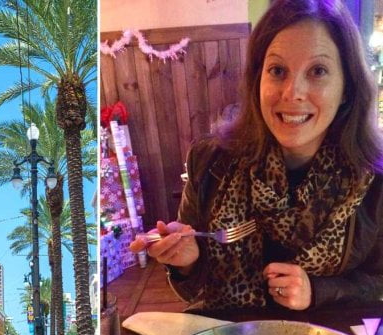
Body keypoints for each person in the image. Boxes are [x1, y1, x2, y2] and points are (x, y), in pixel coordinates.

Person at [130, 0, 383, 311]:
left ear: (347, 87)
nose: (292, 93)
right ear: (256, 79)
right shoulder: (210, 162)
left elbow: (377, 283)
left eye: (318, 71)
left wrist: (317, 291)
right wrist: (188, 263)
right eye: (277, 70)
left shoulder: (374, 179)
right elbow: (195, 293)